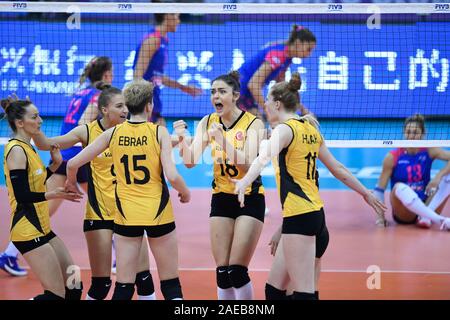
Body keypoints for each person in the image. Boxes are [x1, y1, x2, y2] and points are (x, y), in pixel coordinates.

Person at [232, 73, 387, 300]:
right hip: (310, 217)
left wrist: (245, 182)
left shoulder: (285, 130)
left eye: (267, 100)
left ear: (277, 104)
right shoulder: (310, 129)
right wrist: (365, 193)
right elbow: (338, 169)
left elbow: (262, 157)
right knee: (274, 291)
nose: (264, 104)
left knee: (304, 293)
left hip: (301, 219)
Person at [66, 79, 190, 300]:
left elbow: (73, 163)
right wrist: (184, 192)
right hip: (158, 213)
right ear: (149, 105)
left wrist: (70, 182)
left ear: (128, 105)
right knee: (171, 285)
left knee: (124, 286)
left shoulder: (112, 134)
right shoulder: (158, 132)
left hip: (125, 216)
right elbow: (172, 175)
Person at [29, 84, 156, 300]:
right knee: (101, 285)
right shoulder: (88, 131)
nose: (125, 110)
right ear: (104, 109)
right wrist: (31, 123)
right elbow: (46, 144)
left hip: (130, 216)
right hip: (99, 216)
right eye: (119, 106)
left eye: (126, 105)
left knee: (143, 278)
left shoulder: (135, 129)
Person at [0, 58, 114, 276]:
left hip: (73, 152)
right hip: (77, 153)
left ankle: (117, 255)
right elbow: (83, 126)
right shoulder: (99, 97)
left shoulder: (81, 92)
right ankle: (9, 253)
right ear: (107, 75)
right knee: (43, 208)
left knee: (105, 205)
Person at [174, 71, 266, 300]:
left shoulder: (254, 124)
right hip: (221, 198)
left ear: (235, 96)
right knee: (223, 273)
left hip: (249, 197)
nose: (216, 96)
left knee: (237, 270)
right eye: (213, 92)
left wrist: (222, 140)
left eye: (222, 91)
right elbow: (190, 161)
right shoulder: (208, 121)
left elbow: (247, 166)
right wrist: (183, 138)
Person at [1, 98, 83, 299]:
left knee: (74, 286)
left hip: (44, 228)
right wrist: (52, 194)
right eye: (35, 117)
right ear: (20, 123)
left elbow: (35, 183)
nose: (41, 120)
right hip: (28, 230)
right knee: (55, 295)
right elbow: (22, 195)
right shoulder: (16, 151)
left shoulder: (29, 148)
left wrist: (54, 166)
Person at [374, 114, 450, 230]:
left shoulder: (429, 150)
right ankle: (439, 219)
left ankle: (425, 217)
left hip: (426, 202)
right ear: (404, 133)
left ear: (422, 134)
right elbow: (379, 190)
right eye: (408, 132)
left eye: (415, 132)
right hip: (404, 212)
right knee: (399, 187)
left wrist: (438, 176)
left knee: (448, 176)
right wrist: (380, 218)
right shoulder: (392, 157)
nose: (411, 136)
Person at [133, 13, 202, 126]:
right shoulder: (153, 40)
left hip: (154, 98)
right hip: (145, 103)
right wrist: (142, 104)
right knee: (159, 139)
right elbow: (137, 76)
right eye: (177, 17)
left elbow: (157, 76)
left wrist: (183, 87)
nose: (179, 21)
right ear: (167, 16)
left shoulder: (163, 40)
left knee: (163, 138)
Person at [238, 25, 316, 119]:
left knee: (258, 124)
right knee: (256, 124)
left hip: (247, 94)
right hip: (238, 91)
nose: (310, 54)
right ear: (298, 43)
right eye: (308, 49)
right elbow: (253, 85)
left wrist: (301, 108)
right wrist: (268, 110)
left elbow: (282, 89)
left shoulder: (287, 58)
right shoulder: (279, 55)